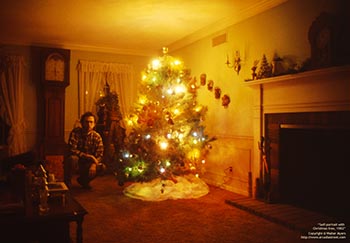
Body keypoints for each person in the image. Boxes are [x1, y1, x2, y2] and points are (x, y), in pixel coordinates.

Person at [64, 112, 104, 189]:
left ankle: (84, 181)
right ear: (82, 123)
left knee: (102, 167)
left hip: (88, 163)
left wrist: (94, 164)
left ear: (94, 124)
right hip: (78, 161)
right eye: (86, 122)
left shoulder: (97, 136)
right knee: (72, 159)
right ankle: (67, 183)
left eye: (91, 122)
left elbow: (100, 154)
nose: (89, 124)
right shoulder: (76, 132)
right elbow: (72, 149)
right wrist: (88, 156)